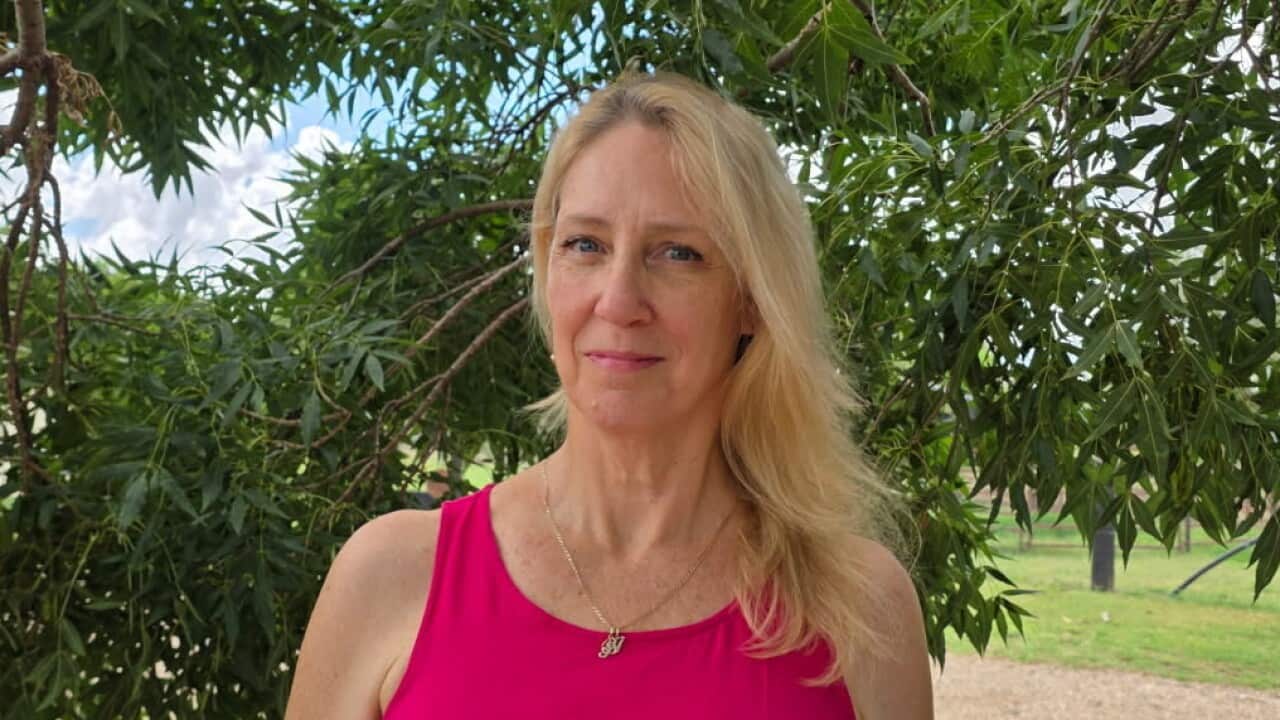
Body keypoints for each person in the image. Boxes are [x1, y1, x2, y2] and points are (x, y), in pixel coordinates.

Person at [285, 71, 933, 719]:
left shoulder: (856, 608)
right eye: (585, 245)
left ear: (752, 301)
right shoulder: (392, 577)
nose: (618, 301)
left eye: (678, 253)